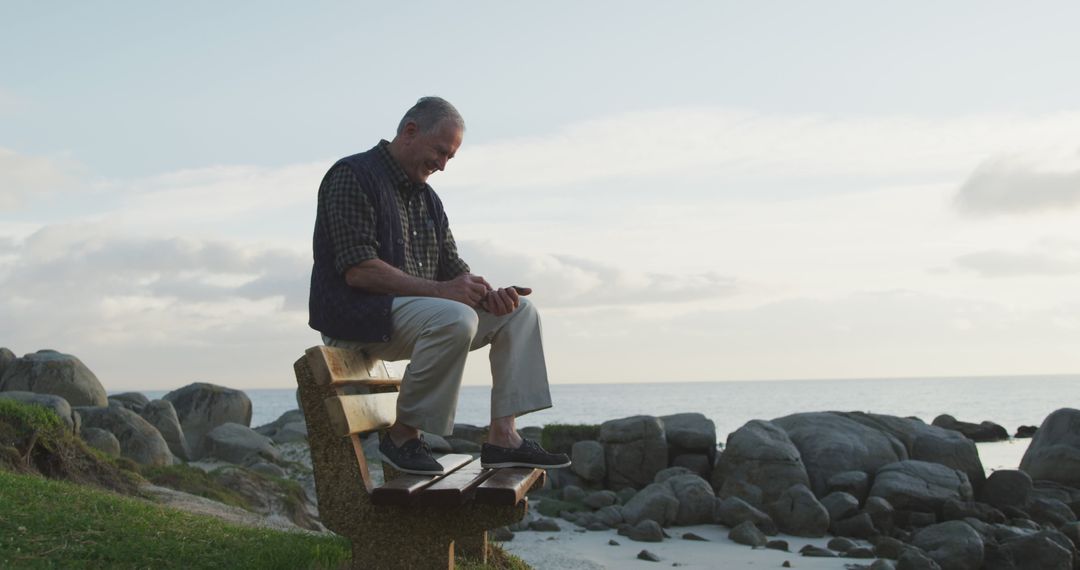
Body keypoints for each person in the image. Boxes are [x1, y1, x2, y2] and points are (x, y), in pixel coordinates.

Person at [308, 96, 570, 475]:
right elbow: (358, 271)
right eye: (440, 152)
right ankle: (402, 438)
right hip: (355, 321)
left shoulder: (429, 199)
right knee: (454, 317)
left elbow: (454, 273)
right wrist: (443, 292)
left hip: (409, 321)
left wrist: (489, 296)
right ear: (410, 132)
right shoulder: (352, 175)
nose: (443, 165)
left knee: (519, 312)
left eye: (450, 157)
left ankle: (503, 438)